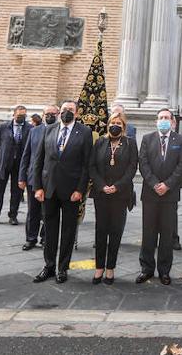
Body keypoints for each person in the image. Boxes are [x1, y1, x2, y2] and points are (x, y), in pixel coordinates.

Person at [30, 99, 93, 284]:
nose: (67, 112)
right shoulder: (48, 130)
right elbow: (38, 160)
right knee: (49, 230)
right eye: (64, 109)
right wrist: (38, 187)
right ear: (59, 112)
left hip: (72, 191)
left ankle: (62, 268)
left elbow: (86, 164)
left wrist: (80, 189)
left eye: (70, 110)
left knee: (68, 230)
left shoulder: (85, 132)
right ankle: (48, 266)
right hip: (48, 189)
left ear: (77, 113)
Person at [137, 108, 182, 285]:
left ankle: (164, 271)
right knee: (148, 233)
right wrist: (154, 184)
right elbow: (143, 164)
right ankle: (146, 269)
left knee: (167, 235)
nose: (164, 120)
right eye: (161, 118)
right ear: (156, 121)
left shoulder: (181, 140)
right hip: (150, 194)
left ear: (173, 122)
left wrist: (167, 185)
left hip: (170, 195)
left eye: (167, 118)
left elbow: (181, 166)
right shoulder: (147, 139)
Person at [90, 112, 137, 284]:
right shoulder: (100, 142)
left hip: (120, 194)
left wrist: (117, 186)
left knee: (116, 231)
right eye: (112, 122)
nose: (114, 125)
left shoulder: (130, 143)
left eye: (118, 123)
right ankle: (99, 267)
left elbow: (132, 168)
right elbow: (92, 166)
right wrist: (102, 185)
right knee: (100, 231)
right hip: (101, 193)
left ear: (123, 127)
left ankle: (110, 268)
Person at [18, 105, 57, 251]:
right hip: (33, 177)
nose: (50, 116)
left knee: (48, 211)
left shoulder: (60, 131)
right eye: (48, 113)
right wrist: (22, 177)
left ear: (58, 114)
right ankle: (30, 238)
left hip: (51, 178)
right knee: (32, 210)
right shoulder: (34, 131)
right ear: (43, 115)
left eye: (53, 113)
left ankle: (46, 238)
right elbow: (26, 155)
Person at [0, 105, 29, 227]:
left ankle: (13, 215)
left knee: (16, 192)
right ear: (14, 115)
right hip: (3, 164)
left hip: (19, 165)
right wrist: (2, 154)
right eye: (19, 115)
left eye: (24, 115)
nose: (21, 117)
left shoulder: (29, 128)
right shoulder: (3, 127)